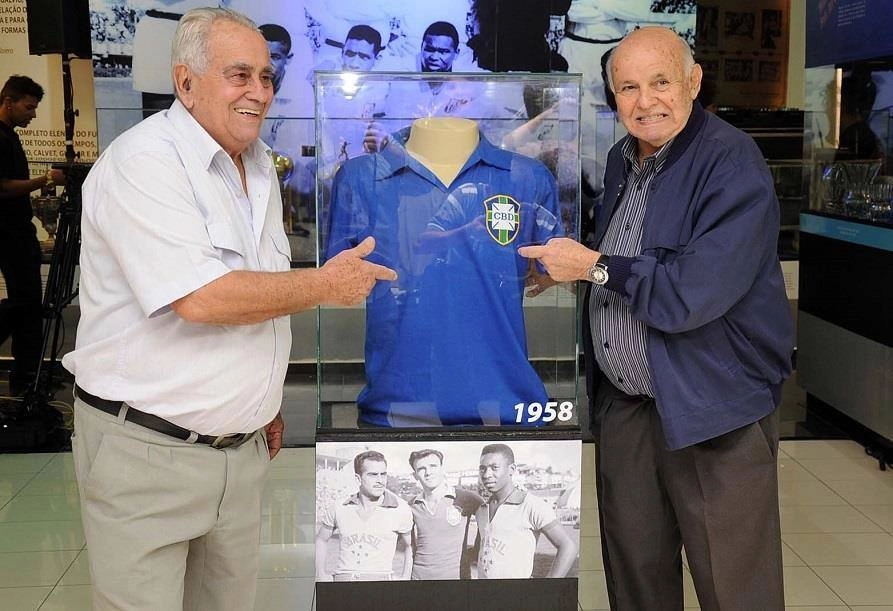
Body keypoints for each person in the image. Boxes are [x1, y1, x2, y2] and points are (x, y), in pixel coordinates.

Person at [62, 8, 395, 610]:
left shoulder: (259, 164)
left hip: (239, 454)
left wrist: (259, 399)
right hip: (147, 452)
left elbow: (256, 287)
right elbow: (202, 297)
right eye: (239, 75)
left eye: (266, 78)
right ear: (185, 82)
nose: (259, 93)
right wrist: (324, 284)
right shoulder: (144, 163)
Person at [519, 27, 793, 609]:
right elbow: (624, 251)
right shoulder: (624, 160)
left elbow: (690, 294)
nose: (645, 102)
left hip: (713, 410)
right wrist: (565, 268)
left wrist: (592, 266)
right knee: (636, 578)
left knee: (734, 587)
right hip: (628, 411)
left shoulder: (730, 161)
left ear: (693, 82)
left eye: (661, 82)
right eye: (628, 88)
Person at [0, 75, 65, 397]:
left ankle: (28, 376)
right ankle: (26, 376)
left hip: (17, 231)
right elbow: (3, 187)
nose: (33, 114)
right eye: (28, 107)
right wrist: (46, 179)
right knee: (24, 305)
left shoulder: (9, 136)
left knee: (28, 306)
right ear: (8, 103)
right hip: (8, 234)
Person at [473, 443, 577, 579]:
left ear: (511, 469)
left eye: (494, 468)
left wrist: (548, 586)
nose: (487, 474)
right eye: (483, 468)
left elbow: (568, 546)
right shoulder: (481, 509)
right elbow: (482, 549)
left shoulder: (532, 505)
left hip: (519, 595)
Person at [316, 450, 414, 581]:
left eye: (383, 474)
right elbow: (321, 539)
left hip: (381, 584)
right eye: (373, 475)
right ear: (358, 478)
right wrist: (320, 574)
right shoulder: (339, 506)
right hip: (343, 583)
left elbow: (411, 545)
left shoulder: (400, 509)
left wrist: (405, 578)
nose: (380, 481)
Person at [407, 449, 483, 580]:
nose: (428, 472)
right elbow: (407, 545)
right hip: (418, 578)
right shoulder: (412, 505)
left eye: (433, 466)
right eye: (421, 469)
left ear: (442, 469)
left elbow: (490, 521)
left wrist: (475, 552)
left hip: (456, 579)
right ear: (415, 475)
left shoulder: (465, 498)